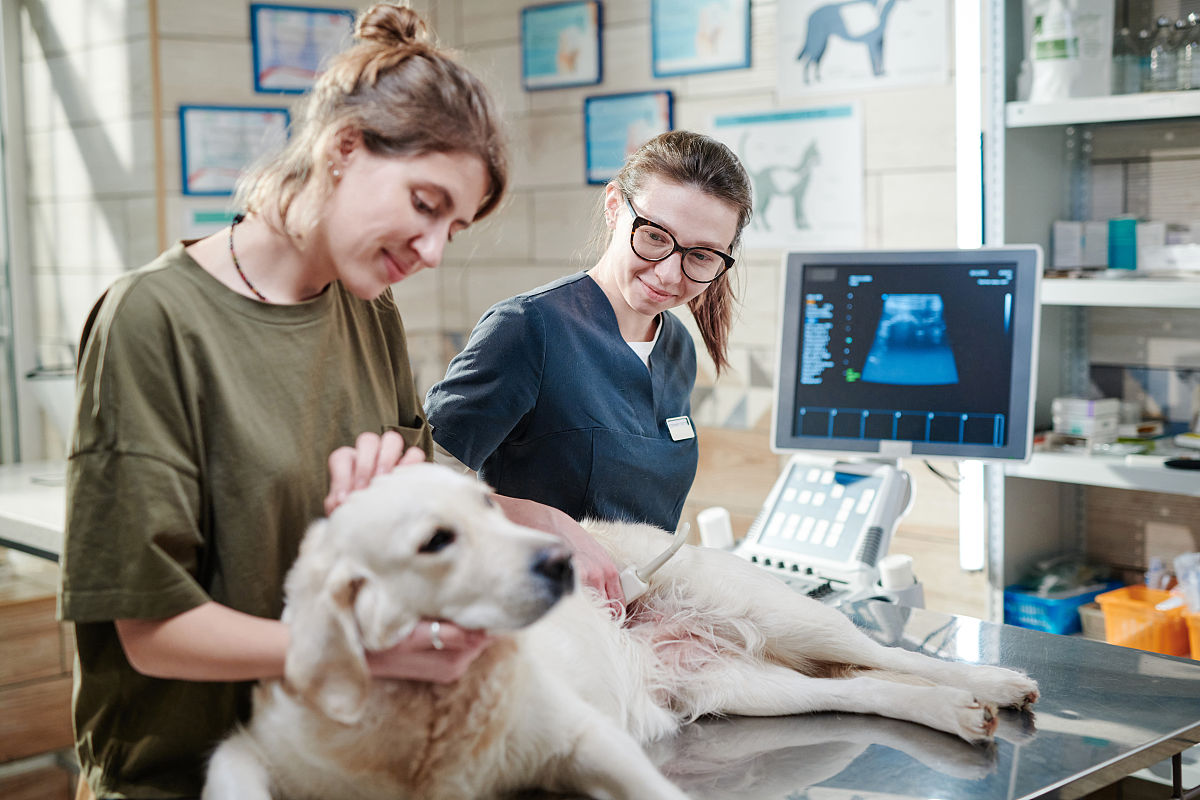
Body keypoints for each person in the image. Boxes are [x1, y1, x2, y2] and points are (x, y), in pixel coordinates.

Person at [58, 5, 510, 797]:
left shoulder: (369, 307)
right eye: (425, 204)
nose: (434, 251)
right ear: (344, 149)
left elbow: (395, 535)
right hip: (184, 777)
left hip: (337, 759)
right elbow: (155, 632)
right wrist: (353, 650)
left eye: (455, 229)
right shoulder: (153, 320)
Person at [424, 130, 752, 538]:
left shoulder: (677, 346)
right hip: (547, 591)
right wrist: (545, 522)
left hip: (635, 594)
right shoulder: (529, 328)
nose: (668, 274)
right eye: (654, 236)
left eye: (701, 256)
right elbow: (423, 477)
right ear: (615, 207)